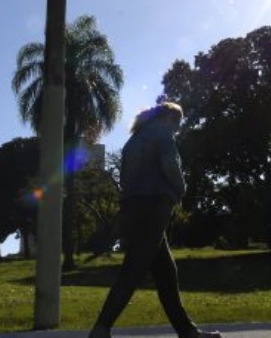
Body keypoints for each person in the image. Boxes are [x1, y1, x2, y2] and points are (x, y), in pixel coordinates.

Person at [88, 102, 221, 338]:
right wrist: (181, 189)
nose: (177, 129)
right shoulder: (162, 134)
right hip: (154, 206)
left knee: (166, 273)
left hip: (133, 206)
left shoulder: (133, 140)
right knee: (133, 269)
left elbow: (127, 178)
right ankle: (101, 328)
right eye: (177, 123)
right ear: (168, 118)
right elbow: (170, 165)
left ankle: (187, 331)